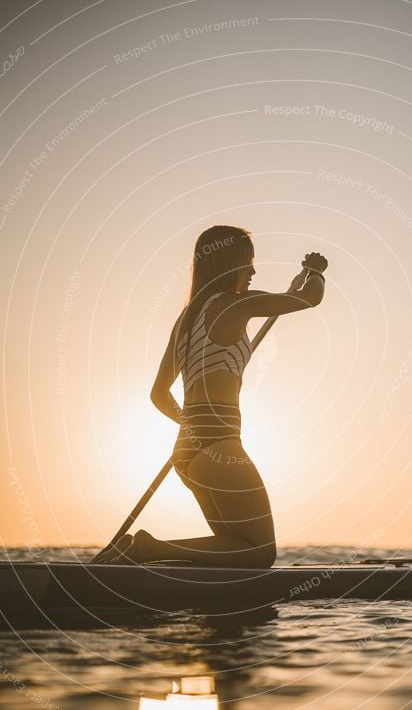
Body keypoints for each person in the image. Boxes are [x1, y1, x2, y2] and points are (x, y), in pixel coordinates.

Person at [105, 225, 327, 567]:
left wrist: (192, 428)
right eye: (248, 262)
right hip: (220, 444)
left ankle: (142, 555)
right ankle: (151, 549)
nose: (253, 271)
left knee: (232, 548)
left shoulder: (186, 319)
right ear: (230, 264)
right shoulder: (234, 305)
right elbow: (310, 298)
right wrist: (316, 272)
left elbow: (158, 394)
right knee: (259, 553)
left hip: (186, 452)